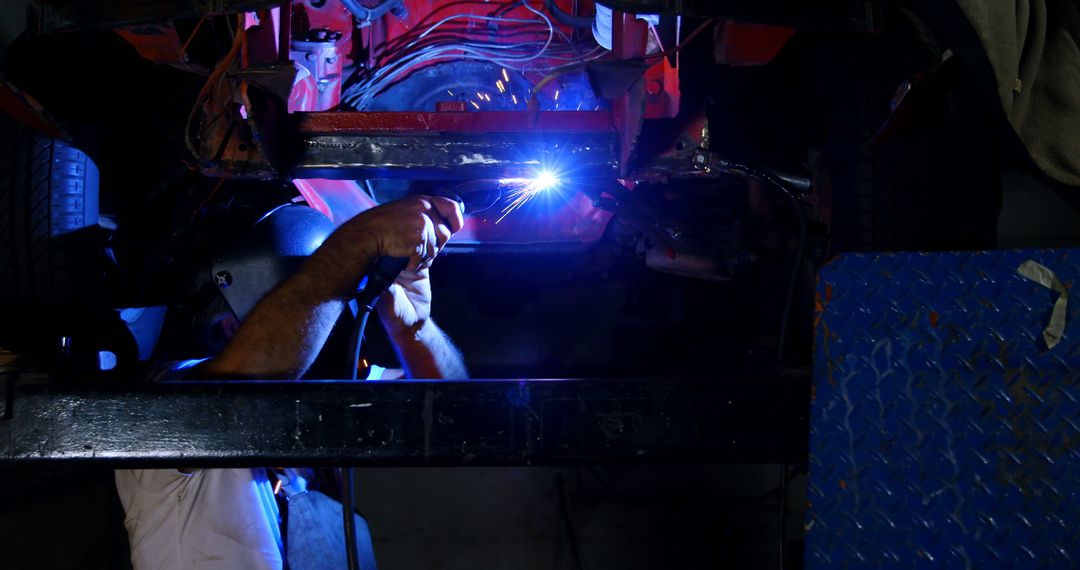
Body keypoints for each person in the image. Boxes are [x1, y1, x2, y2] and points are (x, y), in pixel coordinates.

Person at [115, 195, 468, 569]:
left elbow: (459, 418)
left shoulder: (315, 398)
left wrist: (414, 327)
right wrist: (361, 240)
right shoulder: (160, 402)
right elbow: (255, 378)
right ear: (232, 326)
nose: (329, 322)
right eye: (316, 298)